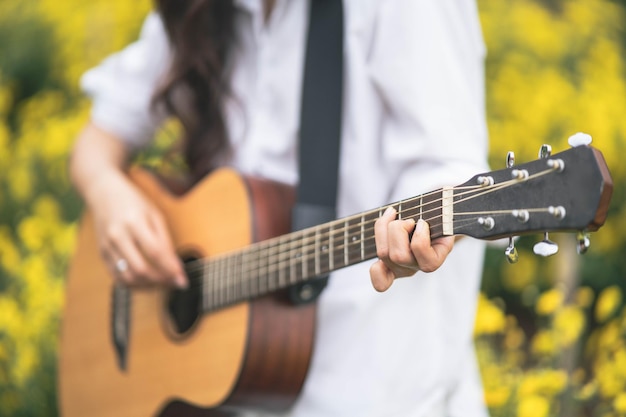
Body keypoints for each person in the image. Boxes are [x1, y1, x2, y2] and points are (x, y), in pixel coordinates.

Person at [69, 0, 490, 416]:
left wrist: (413, 234)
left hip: (374, 380)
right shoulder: (200, 8)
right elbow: (99, 139)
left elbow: (448, 163)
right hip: (226, 391)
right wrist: (110, 194)